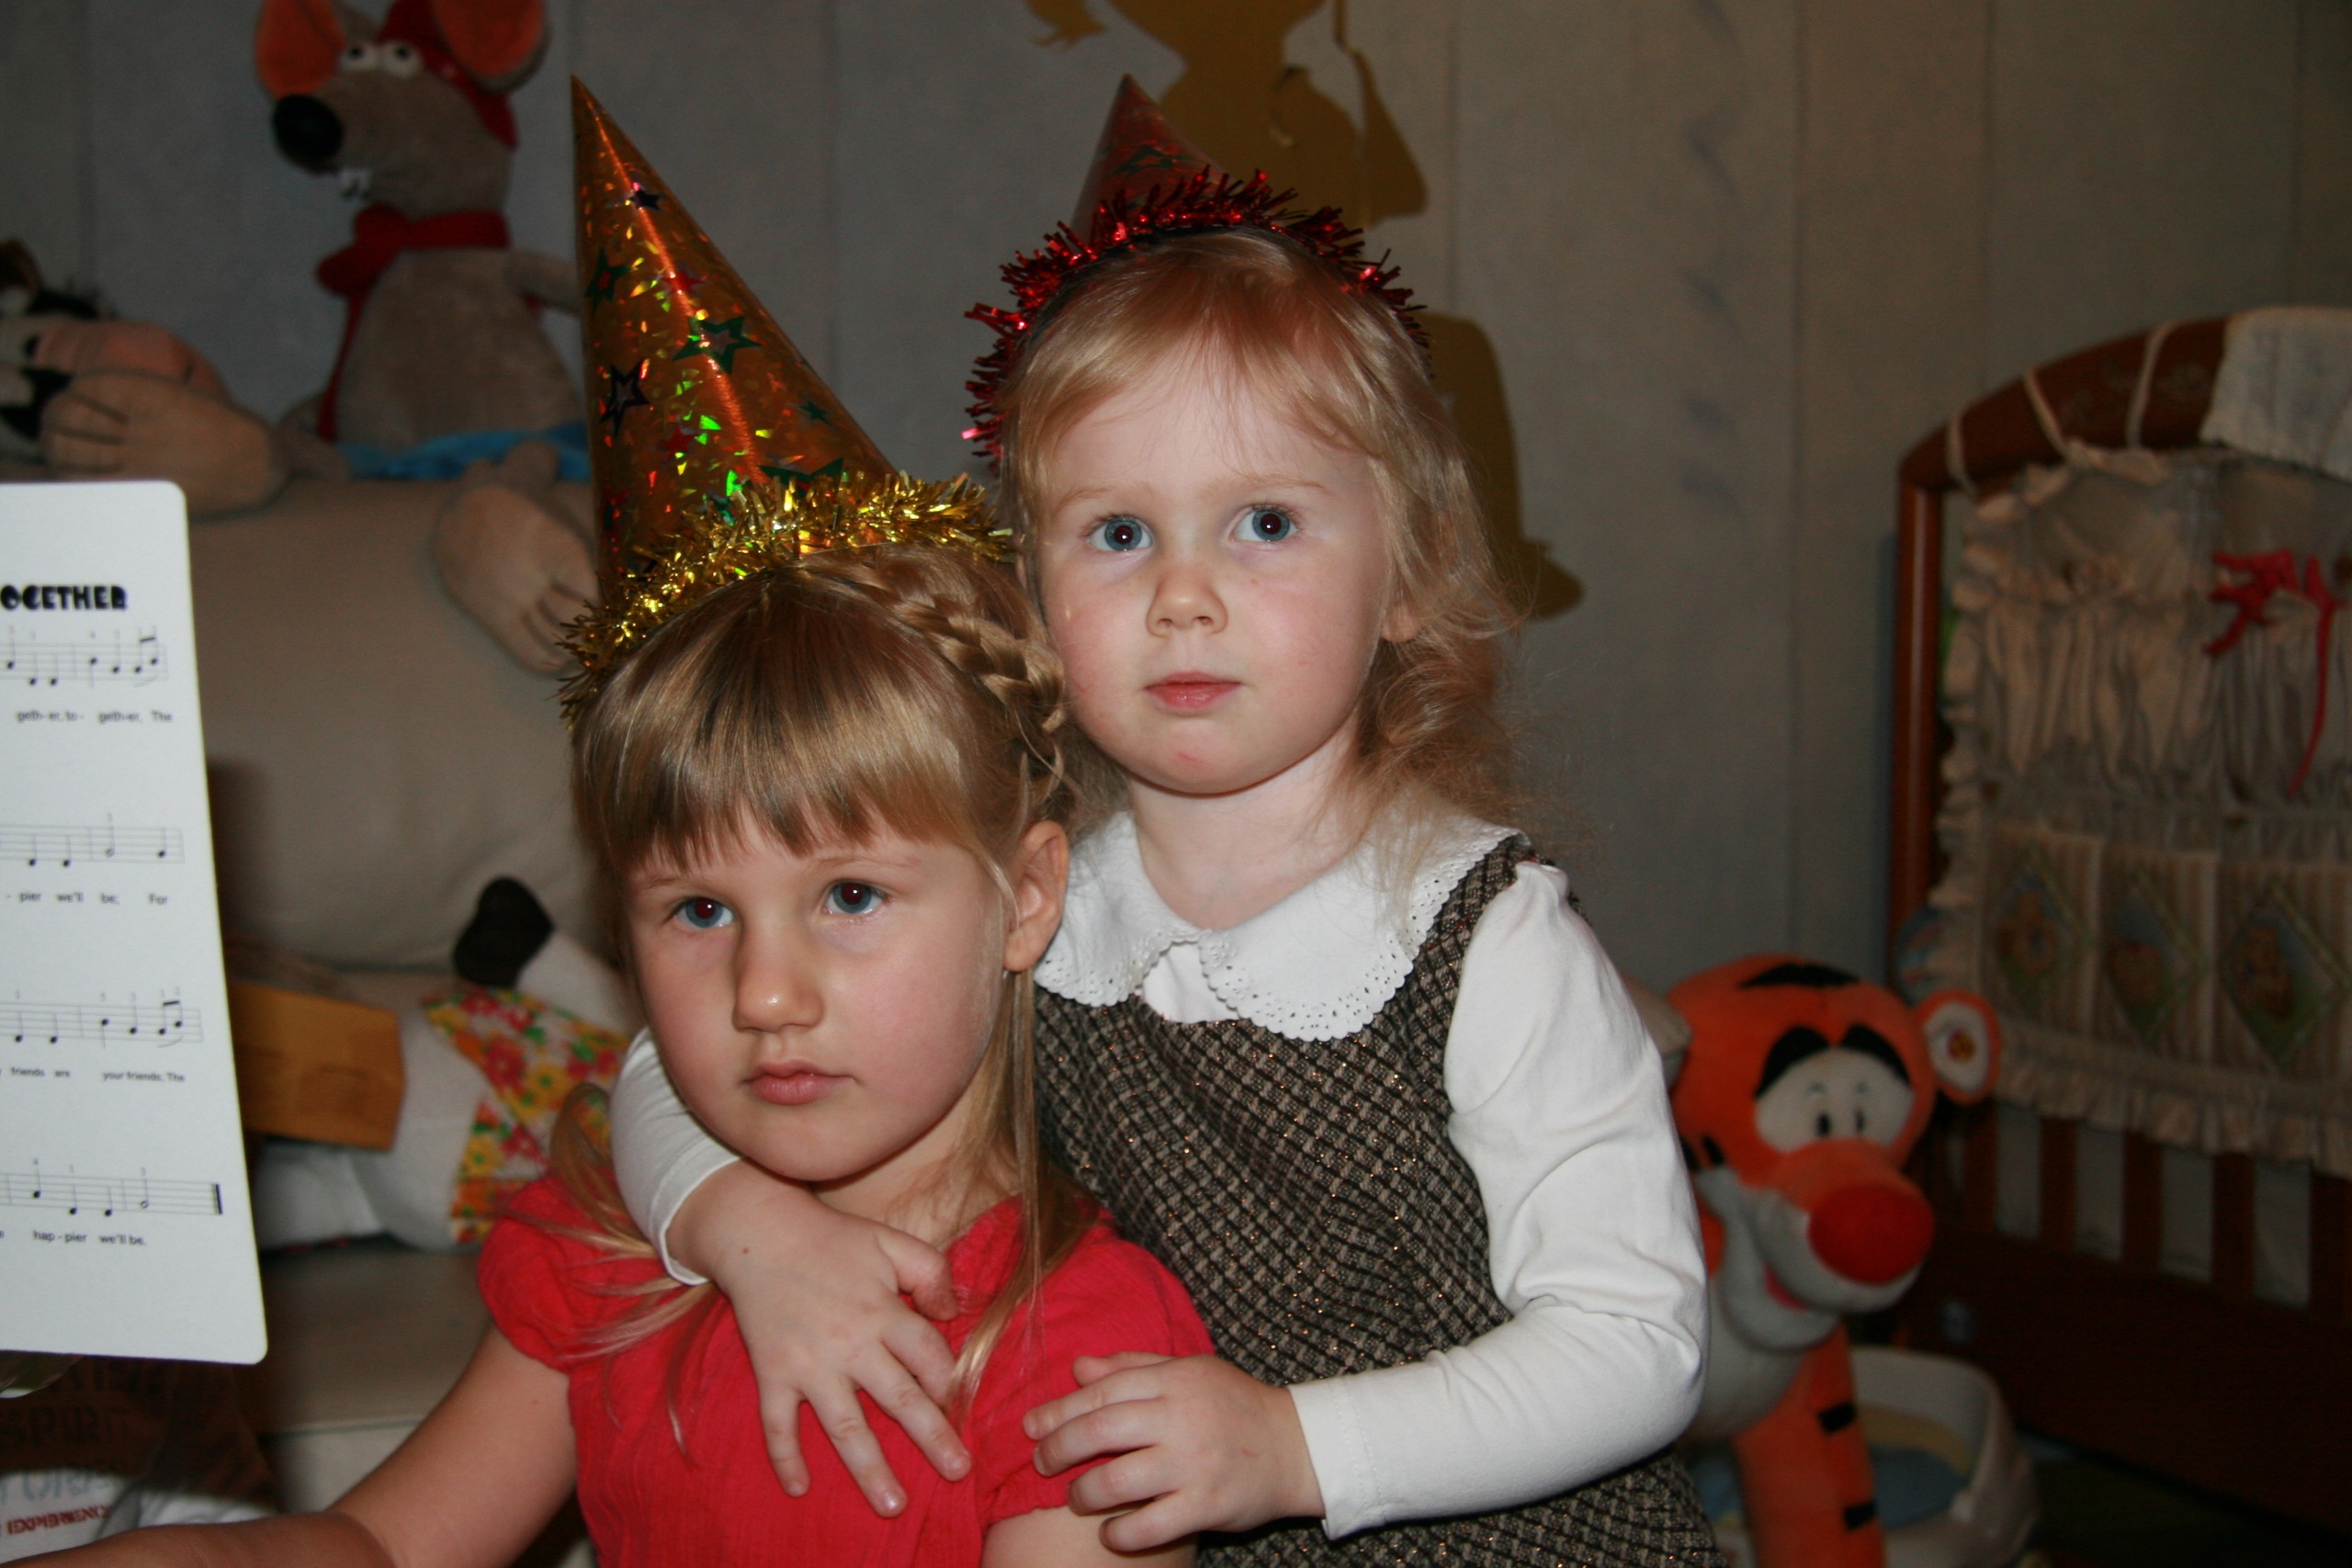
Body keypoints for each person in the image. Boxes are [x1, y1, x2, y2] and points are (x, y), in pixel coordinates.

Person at [29, 86, 1213, 1568]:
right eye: (698, 910)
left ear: (1027, 896)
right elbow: (380, 1548)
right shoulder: (609, 1249)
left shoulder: (1076, 1351)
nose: (764, 994)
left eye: (849, 895)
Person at [608, 79, 1721, 1563]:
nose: (1183, 596)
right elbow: (666, 1064)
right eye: (1118, 533)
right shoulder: (1041, 895)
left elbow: (1642, 1343)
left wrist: (1294, 1446)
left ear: (1404, 574)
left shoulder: (1483, 941)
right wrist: (754, 1234)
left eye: (1265, 523)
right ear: (1035, 585)